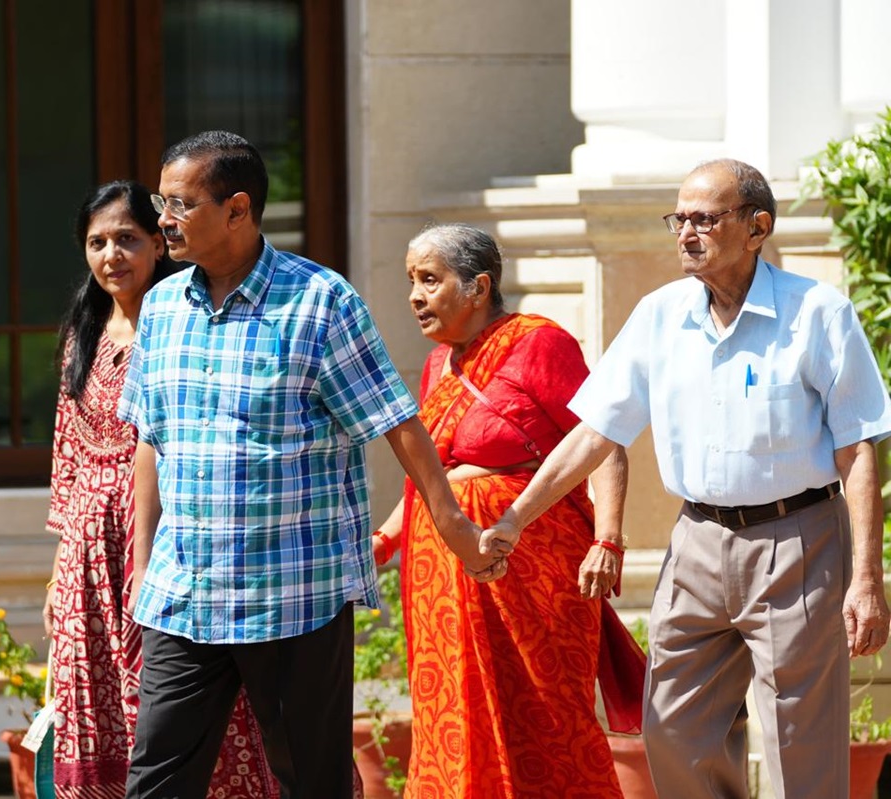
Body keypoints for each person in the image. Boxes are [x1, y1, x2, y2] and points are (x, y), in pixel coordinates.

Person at [481, 159, 891, 799]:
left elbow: (857, 449)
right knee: (672, 729)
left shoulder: (817, 314)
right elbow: (596, 431)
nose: (686, 233)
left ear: (757, 227)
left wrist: (867, 578)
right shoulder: (659, 314)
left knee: (798, 745)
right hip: (696, 539)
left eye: (706, 219)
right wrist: (513, 519)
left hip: (799, 539)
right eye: (680, 219)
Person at [117, 131, 499, 799]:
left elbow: (395, 422)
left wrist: (454, 526)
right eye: (160, 201)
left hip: (294, 593)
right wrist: (143, 559)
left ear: (237, 209)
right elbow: (153, 437)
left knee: (312, 781)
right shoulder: (160, 310)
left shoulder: (320, 302)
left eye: (179, 204)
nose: (163, 220)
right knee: (156, 780)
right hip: (185, 592)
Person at [368, 222, 629, 798]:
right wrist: (384, 541)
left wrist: (607, 538)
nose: (414, 295)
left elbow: (604, 439)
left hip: (530, 567)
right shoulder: (439, 365)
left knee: (546, 715)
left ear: (478, 287)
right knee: (452, 715)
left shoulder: (540, 342)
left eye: (430, 280)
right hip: (441, 577)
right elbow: (430, 482)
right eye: (412, 280)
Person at [43, 180, 279, 799]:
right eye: (97, 243)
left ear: (158, 243)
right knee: (98, 700)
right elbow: (67, 458)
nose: (111, 255)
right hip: (91, 555)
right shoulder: (82, 336)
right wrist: (57, 575)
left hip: (173, 537)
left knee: (185, 704)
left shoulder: (186, 324)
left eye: (127, 238)